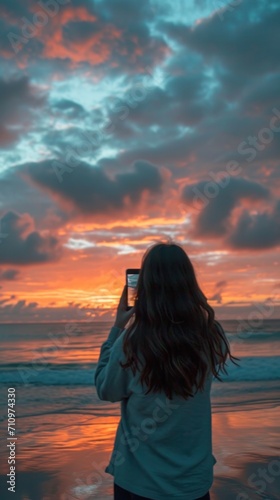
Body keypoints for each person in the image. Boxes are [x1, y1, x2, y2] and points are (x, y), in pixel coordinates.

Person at [94, 241, 239, 500]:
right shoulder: (210, 334)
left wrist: (117, 328)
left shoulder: (131, 341)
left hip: (139, 483)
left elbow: (106, 390)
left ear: (146, 287)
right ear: (188, 283)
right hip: (192, 483)